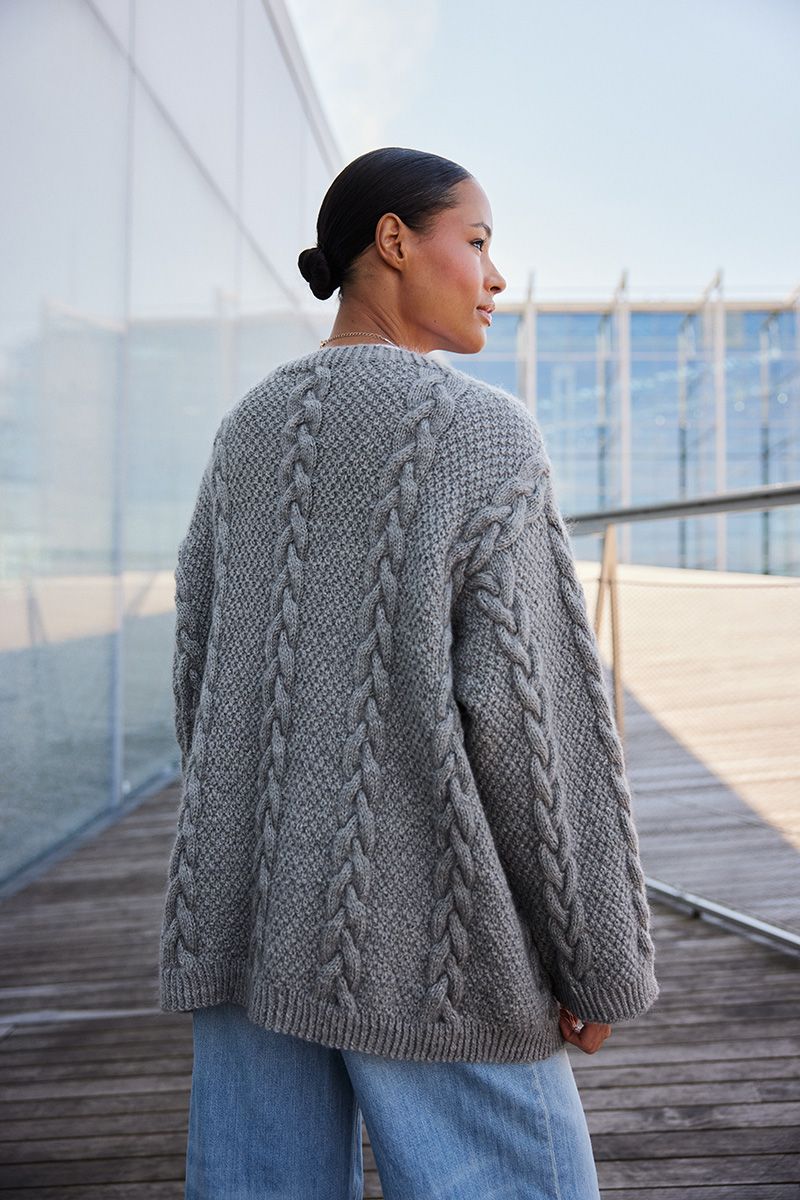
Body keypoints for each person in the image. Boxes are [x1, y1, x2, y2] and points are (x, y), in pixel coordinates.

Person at [159, 146, 660, 1200]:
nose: (495, 276)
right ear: (393, 241)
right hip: (428, 937)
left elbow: (197, 671)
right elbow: (538, 731)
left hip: (246, 913)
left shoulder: (246, 429)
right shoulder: (481, 434)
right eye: (475, 241)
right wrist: (595, 957)